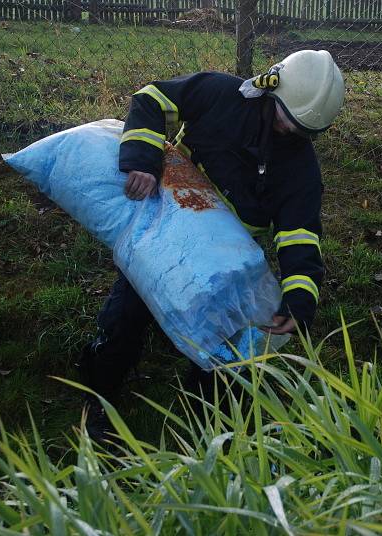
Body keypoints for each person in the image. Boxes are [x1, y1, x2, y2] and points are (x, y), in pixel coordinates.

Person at [78, 50, 345, 440]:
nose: (289, 133)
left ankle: (210, 426)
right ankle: (97, 398)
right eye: (286, 120)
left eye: (303, 131)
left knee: (219, 348)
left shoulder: (300, 168)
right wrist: (143, 160)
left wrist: (300, 296)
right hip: (162, 233)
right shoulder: (220, 95)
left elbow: (299, 233)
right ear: (270, 91)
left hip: (219, 264)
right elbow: (152, 99)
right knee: (126, 315)